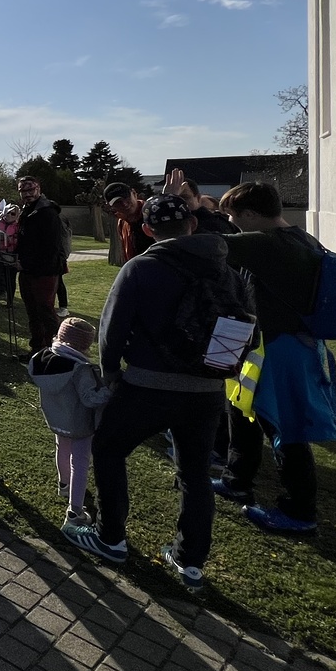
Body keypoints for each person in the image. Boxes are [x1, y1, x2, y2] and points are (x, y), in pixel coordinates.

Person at [64, 194, 255, 593]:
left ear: (148, 229)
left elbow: (112, 328)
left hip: (148, 384)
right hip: (206, 391)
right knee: (195, 472)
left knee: (109, 450)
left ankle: (110, 537)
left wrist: (111, 372)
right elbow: (248, 331)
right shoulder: (228, 271)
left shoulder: (142, 267)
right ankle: (190, 560)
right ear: (192, 224)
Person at [210, 180, 336, 535]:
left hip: (280, 349)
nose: (231, 222)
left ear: (251, 214)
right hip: (272, 344)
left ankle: (299, 511)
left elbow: (207, 244)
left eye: (233, 215)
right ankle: (236, 478)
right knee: (242, 411)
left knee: (284, 426)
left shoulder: (266, 243)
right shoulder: (302, 239)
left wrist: (177, 207)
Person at [28, 317, 115, 525]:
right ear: (84, 345)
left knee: (62, 449)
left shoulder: (42, 358)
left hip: (57, 418)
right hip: (80, 424)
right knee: (80, 463)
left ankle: (64, 484)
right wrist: (109, 392)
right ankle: (75, 511)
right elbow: (90, 399)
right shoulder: (80, 369)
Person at [15, 176, 70, 355]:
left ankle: (56, 351)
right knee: (32, 313)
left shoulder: (47, 212)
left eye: (31, 190)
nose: (27, 194)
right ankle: (38, 350)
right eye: (23, 191)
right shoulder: (27, 210)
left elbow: (50, 247)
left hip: (45, 271)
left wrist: (27, 263)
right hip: (27, 270)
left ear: (38, 189)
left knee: (45, 312)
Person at [105, 182, 155, 262]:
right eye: (118, 202)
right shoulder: (122, 222)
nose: (124, 204)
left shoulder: (154, 214)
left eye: (126, 198)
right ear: (111, 206)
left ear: (134, 193)